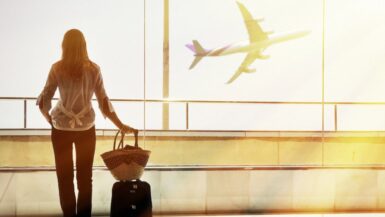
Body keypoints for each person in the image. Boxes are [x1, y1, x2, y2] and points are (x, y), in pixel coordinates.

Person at [37, 29, 135, 217]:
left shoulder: (57, 68)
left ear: (64, 46)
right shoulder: (94, 69)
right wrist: (120, 125)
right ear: (84, 45)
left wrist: (50, 119)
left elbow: (44, 100)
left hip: (61, 129)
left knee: (64, 178)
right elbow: (104, 102)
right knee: (85, 179)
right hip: (86, 129)